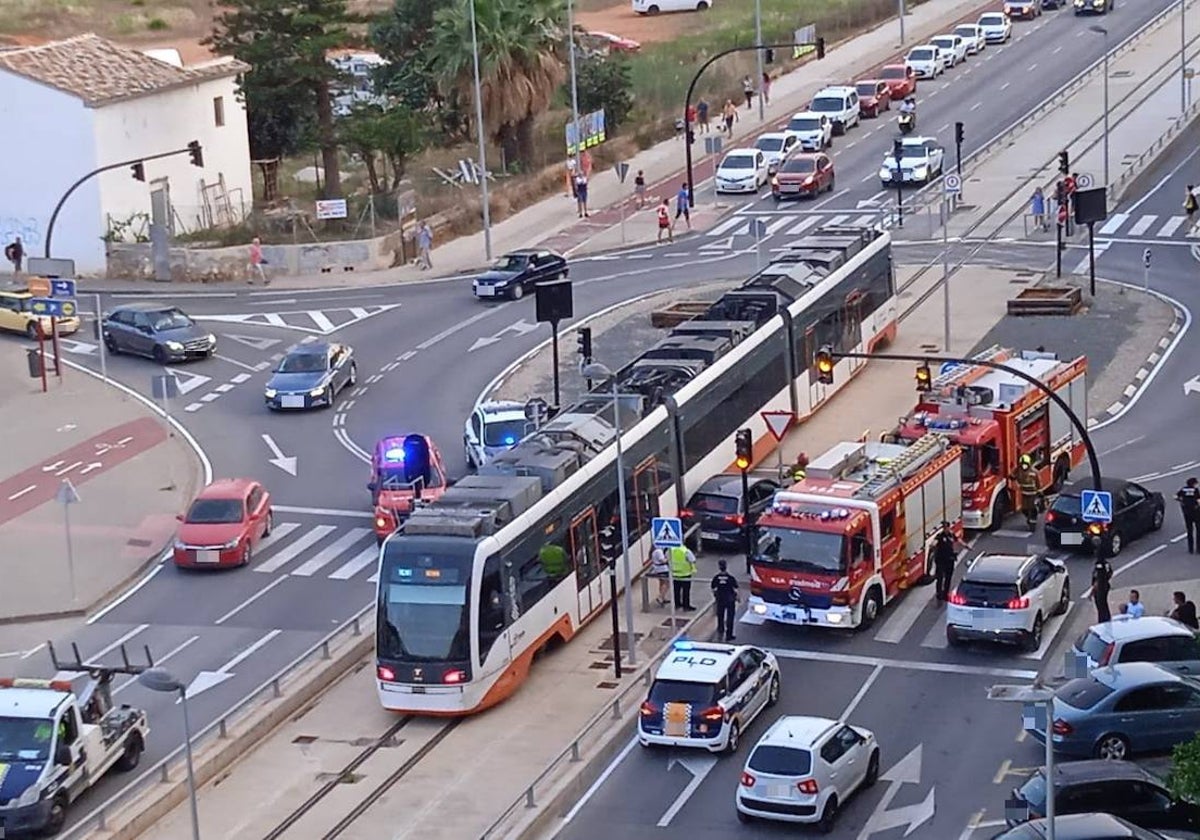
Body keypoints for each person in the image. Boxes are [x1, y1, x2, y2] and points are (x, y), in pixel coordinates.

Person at [932, 521, 966, 602]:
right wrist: (933, 545)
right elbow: (934, 542)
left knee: (948, 577)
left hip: (949, 559)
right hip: (941, 560)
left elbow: (958, 540)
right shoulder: (940, 536)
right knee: (939, 577)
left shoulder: (951, 534)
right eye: (944, 528)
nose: (945, 529)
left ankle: (945, 594)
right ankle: (939, 593)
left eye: (946, 527)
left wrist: (966, 546)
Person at [1010, 454, 1041, 531]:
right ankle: (1029, 518)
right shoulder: (1019, 470)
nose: (1024, 466)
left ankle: (1033, 523)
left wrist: (1040, 492)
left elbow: (1039, 483)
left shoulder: (1034, 472)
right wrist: (1012, 477)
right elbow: (1012, 476)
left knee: (1033, 509)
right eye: (1022, 464)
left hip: (1033, 494)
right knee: (1024, 509)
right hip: (1024, 494)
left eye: (1025, 464)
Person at [711, 559, 740, 641]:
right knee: (730, 617)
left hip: (720, 599)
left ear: (719, 567)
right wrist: (738, 598)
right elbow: (735, 589)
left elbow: (713, 588)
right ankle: (729, 635)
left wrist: (716, 595)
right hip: (730, 599)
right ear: (726, 567)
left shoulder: (716, 578)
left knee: (720, 615)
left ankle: (720, 629)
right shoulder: (731, 578)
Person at [669, 543, 698, 611]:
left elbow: (667, 558)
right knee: (686, 591)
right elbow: (693, 560)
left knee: (676, 590)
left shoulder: (671, 550)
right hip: (685, 574)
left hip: (675, 574)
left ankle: (677, 604)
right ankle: (686, 606)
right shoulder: (685, 551)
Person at [1177, 477, 1200, 553]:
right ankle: (1198, 549)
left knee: (1189, 530)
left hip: (1187, 512)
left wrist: (1182, 501)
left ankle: (1190, 549)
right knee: (1198, 530)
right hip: (1196, 512)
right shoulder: (1195, 490)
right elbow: (1198, 500)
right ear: (1193, 483)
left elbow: (1176, 496)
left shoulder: (1183, 489)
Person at [1092, 555, 1113, 623]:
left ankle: (1104, 619)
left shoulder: (1103, 564)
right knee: (1099, 603)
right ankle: (1103, 618)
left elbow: (1108, 573)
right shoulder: (1100, 564)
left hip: (1102, 586)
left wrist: (1101, 580)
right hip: (1100, 586)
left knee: (1101, 603)